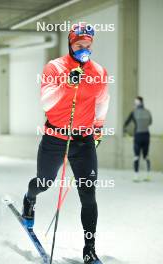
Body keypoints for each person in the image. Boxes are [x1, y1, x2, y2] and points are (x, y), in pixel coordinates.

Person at [22, 23, 110, 263]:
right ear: (70, 44)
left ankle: (89, 249)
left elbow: (103, 100)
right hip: (55, 138)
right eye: (79, 45)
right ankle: (29, 198)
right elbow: (46, 103)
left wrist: (99, 127)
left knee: (88, 195)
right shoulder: (55, 67)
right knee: (44, 183)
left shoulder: (98, 71)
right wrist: (66, 85)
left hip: (83, 141)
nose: (84, 49)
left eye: (88, 46)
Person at [123, 96, 152, 182]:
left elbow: (126, 123)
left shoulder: (134, 112)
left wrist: (126, 133)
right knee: (146, 156)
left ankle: (136, 176)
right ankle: (148, 175)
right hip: (146, 135)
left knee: (136, 156)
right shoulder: (148, 112)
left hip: (138, 136)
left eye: (136, 102)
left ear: (139, 103)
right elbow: (150, 122)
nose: (134, 104)